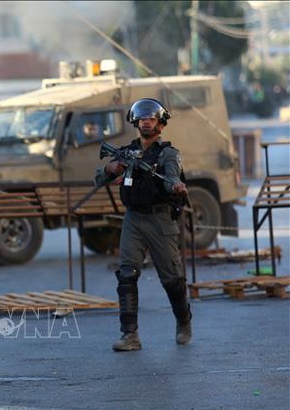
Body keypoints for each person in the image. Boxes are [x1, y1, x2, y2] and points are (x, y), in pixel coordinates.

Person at [94, 98, 191, 352]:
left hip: (160, 220)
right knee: (126, 275)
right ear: (135, 122)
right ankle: (130, 335)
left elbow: (171, 176)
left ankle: (184, 322)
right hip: (133, 219)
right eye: (142, 119)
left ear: (160, 124)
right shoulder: (126, 152)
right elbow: (99, 178)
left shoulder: (169, 153)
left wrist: (176, 186)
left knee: (171, 277)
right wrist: (112, 167)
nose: (146, 123)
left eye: (151, 119)